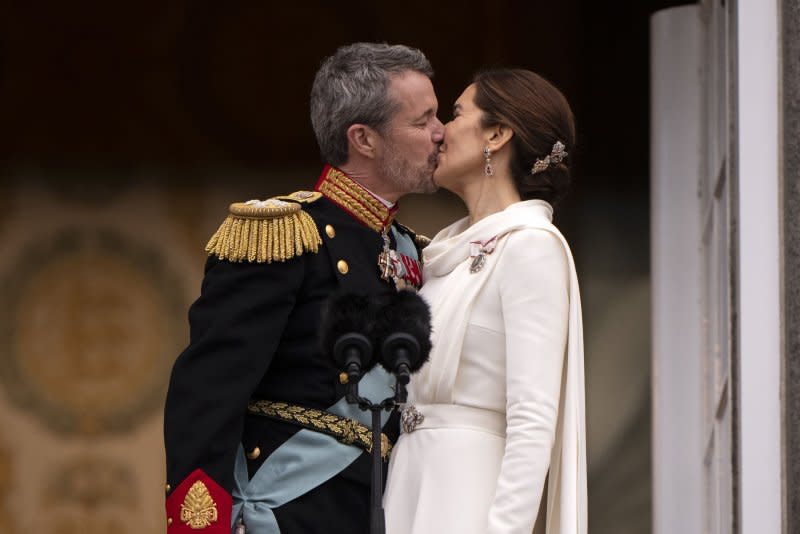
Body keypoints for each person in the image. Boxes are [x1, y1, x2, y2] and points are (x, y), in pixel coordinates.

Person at [163, 42, 444, 534]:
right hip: (287, 514)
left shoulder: (413, 252)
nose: (441, 135)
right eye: (422, 122)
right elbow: (205, 393)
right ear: (364, 138)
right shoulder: (284, 234)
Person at [383, 68, 587, 534]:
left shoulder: (531, 246)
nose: (439, 132)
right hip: (408, 487)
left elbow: (533, 419)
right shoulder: (441, 255)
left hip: (468, 496)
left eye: (455, 115)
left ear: (496, 133)